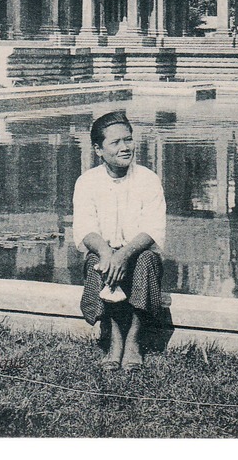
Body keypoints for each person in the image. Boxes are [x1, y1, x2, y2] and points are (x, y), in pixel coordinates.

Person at [72, 110, 166, 370]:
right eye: (116, 143)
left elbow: (152, 229)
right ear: (98, 149)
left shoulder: (148, 179)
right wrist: (106, 253)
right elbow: (84, 228)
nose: (126, 148)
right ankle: (114, 339)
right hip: (106, 257)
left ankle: (134, 340)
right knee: (95, 259)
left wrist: (124, 255)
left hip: (138, 256)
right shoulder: (87, 182)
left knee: (146, 258)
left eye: (128, 140)